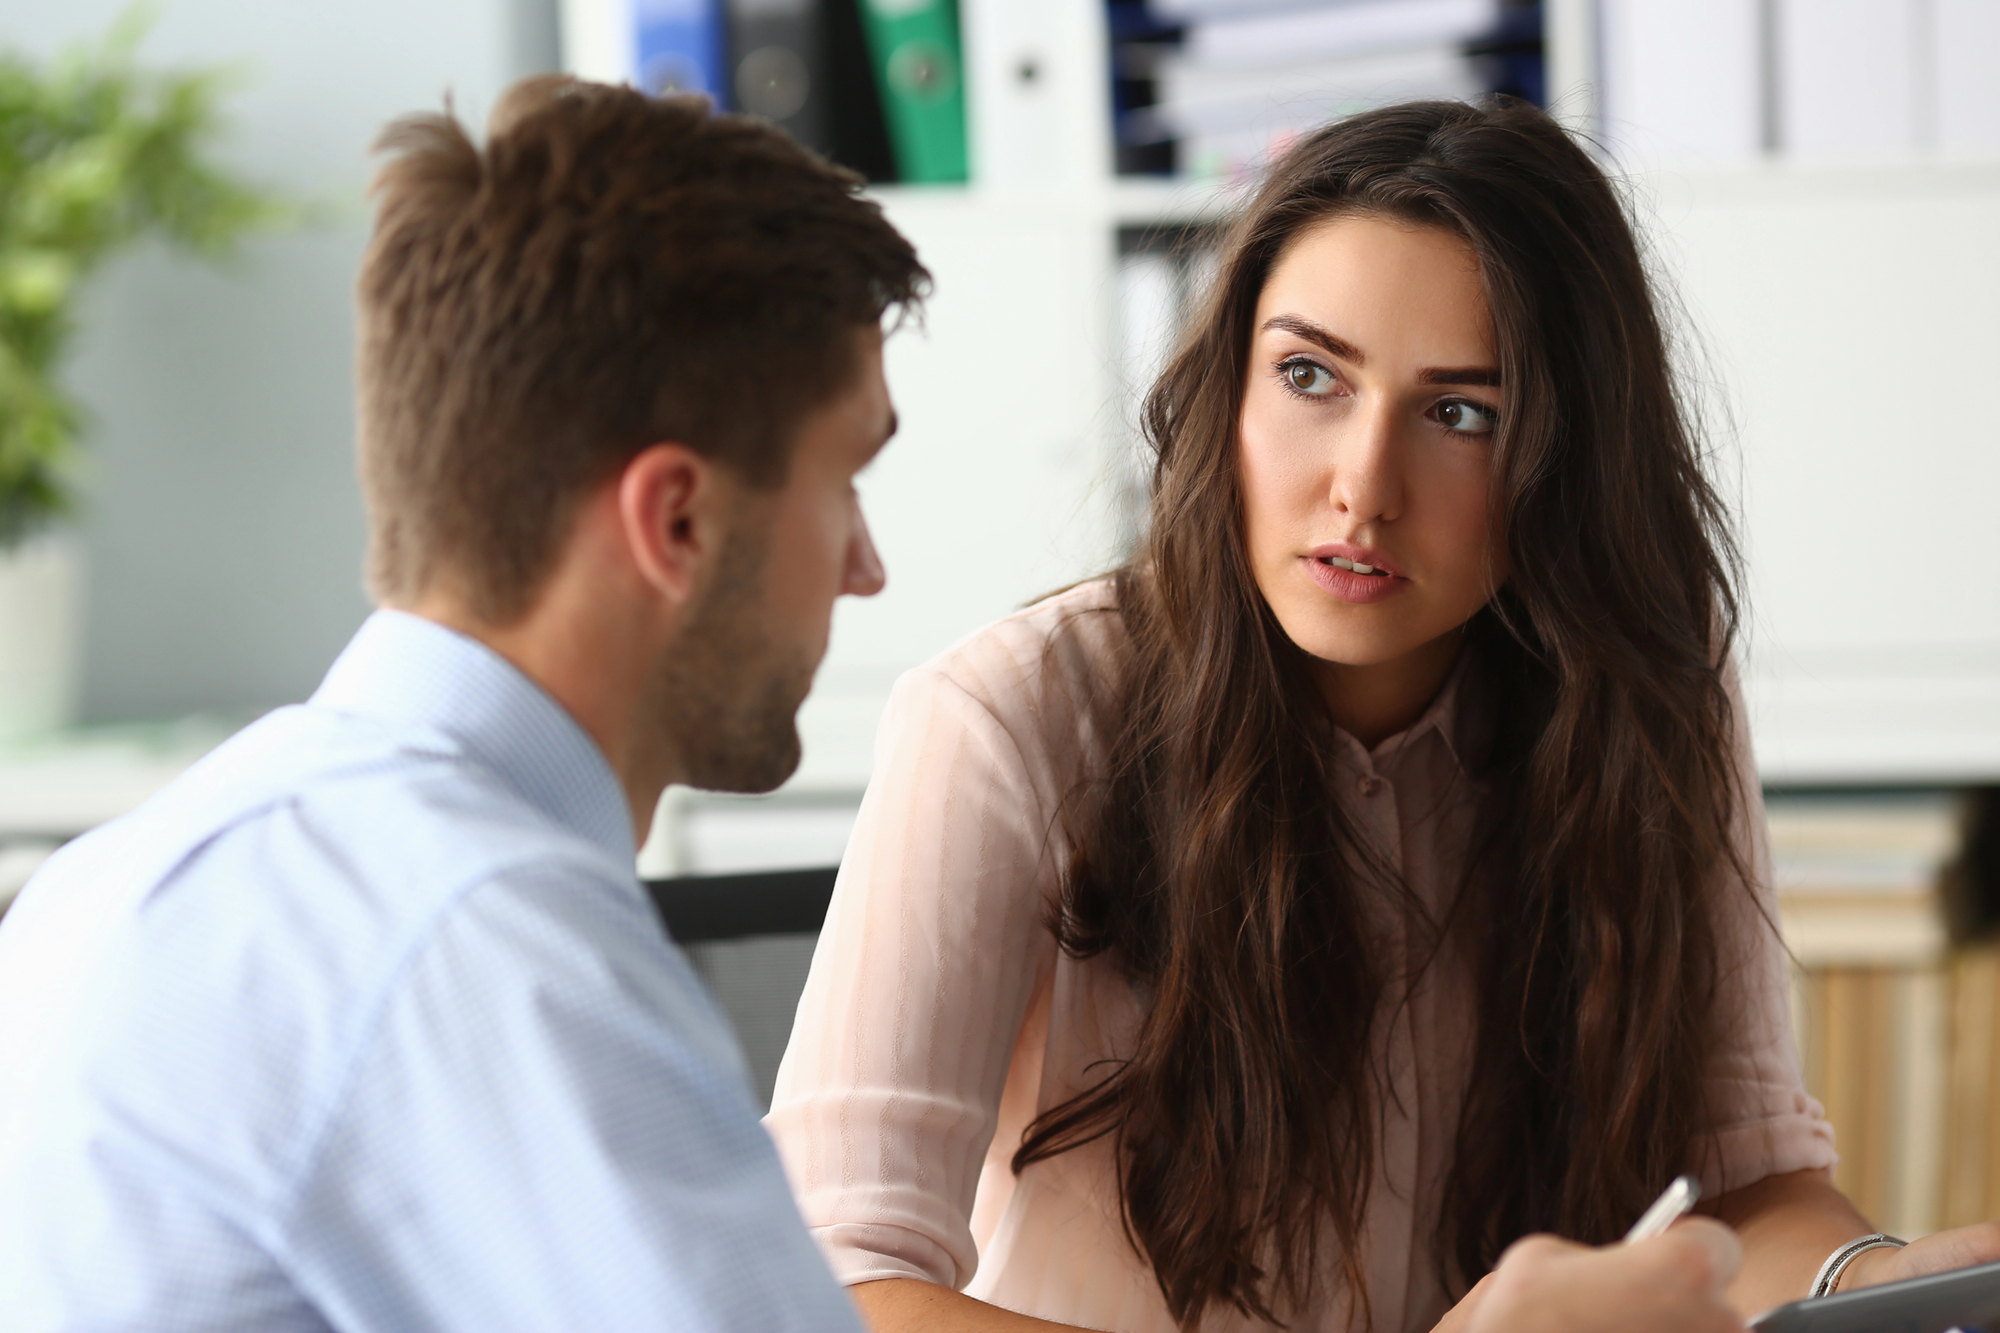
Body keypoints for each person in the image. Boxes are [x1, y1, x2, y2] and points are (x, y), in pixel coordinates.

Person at [763, 97, 2000, 1333]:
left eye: (1461, 411)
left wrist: (1875, 1282)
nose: (1361, 486)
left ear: (1562, 462)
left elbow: (1737, 1189)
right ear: (1224, 394)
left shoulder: (1646, 688)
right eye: (1308, 375)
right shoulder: (1006, 720)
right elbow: (828, 1290)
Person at [0, 76, 923, 1330]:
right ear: (679, 520)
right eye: (844, 482)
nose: (864, 567)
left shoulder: (110, 876)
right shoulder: (491, 940)